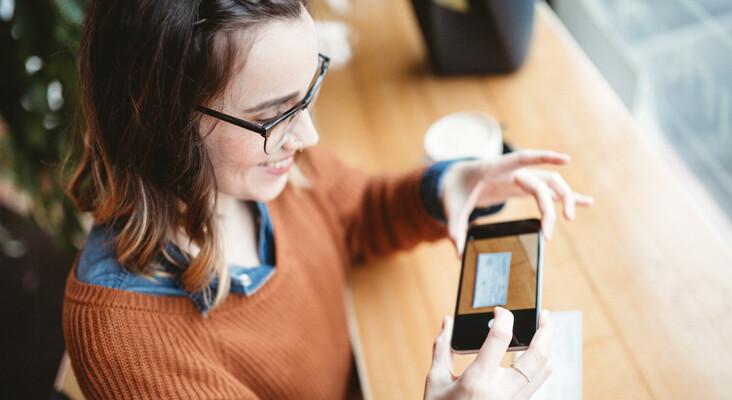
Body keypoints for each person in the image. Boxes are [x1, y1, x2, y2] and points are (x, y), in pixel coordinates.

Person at [63, 0, 594, 398]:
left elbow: (355, 211)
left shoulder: (263, 167)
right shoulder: (126, 344)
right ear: (159, 122)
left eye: (310, 90)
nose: (310, 137)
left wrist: (442, 188)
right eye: (272, 115)